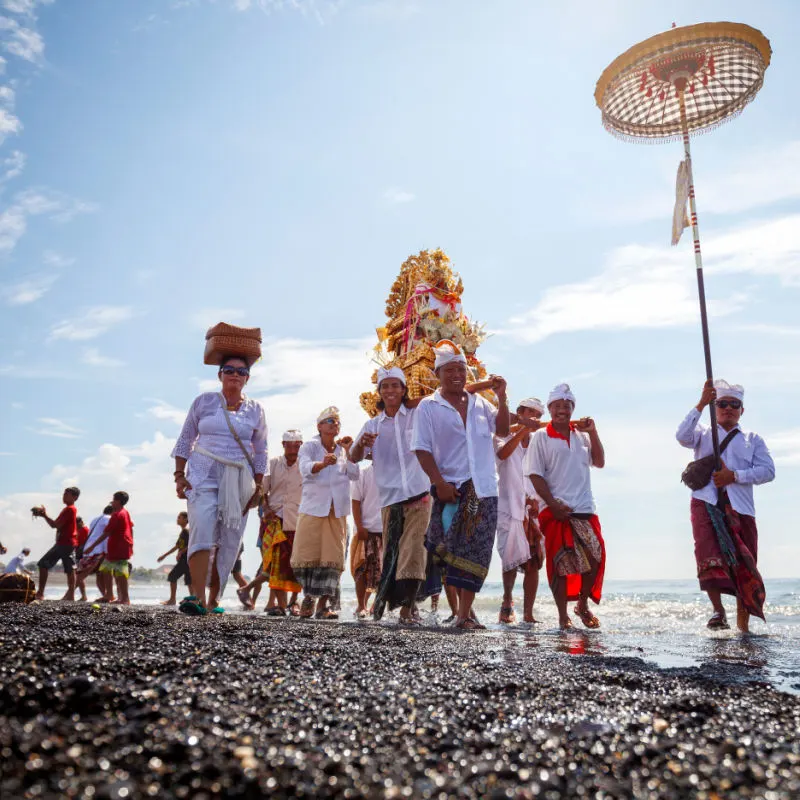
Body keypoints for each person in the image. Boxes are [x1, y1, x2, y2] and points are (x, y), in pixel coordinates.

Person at [411, 343, 510, 630]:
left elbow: (502, 430)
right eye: (450, 370)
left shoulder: (481, 404)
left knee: (477, 552)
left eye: (461, 369)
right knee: (451, 551)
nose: (456, 374)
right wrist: (438, 483)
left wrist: (501, 398)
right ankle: (461, 613)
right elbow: (421, 449)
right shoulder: (429, 407)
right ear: (438, 373)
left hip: (485, 489)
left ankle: (465, 614)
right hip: (451, 489)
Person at [676, 379, 775, 632]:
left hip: (741, 509)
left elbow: (768, 471)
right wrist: (701, 403)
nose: (728, 408)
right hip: (705, 502)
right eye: (722, 403)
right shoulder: (703, 433)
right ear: (715, 405)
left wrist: (735, 476)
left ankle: (744, 627)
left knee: (745, 564)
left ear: (742, 410)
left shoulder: (753, 440)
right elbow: (682, 436)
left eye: (734, 404)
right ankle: (718, 611)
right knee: (708, 554)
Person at [172, 354, 267, 615]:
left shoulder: (256, 409)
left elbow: (261, 451)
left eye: (240, 371)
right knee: (201, 528)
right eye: (228, 370)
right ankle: (197, 596)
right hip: (203, 472)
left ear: (247, 377)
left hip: (239, 478)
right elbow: (185, 440)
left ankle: (214, 599)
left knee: (229, 539)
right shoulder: (204, 402)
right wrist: (179, 475)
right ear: (220, 375)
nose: (234, 375)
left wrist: (259, 487)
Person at [350, 366, 433, 626]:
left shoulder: (417, 415)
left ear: (404, 389)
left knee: (414, 550)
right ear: (379, 392)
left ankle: (408, 608)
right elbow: (353, 457)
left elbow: (437, 398)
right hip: (389, 499)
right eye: (385, 386)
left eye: (395, 385)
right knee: (393, 553)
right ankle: (391, 603)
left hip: (419, 493)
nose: (390, 391)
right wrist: (361, 444)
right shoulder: (372, 425)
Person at [526, 384, 606, 630]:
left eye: (567, 406)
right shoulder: (541, 436)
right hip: (556, 508)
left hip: (584, 506)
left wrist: (593, 432)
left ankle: (581, 604)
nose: (562, 410)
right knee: (560, 563)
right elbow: (535, 475)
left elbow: (600, 462)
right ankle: (563, 616)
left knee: (595, 557)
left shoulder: (581, 435)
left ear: (573, 409)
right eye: (557, 406)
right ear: (550, 409)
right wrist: (551, 503)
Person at [290, 407, 357, 620]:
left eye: (336, 421)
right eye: (328, 421)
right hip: (313, 508)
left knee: (333, 557)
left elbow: (354, 474)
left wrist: (351, 451)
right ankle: (308, 597)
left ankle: (324, 605)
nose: (333, 424)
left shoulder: (342, 450)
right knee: (308, 555)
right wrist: (322, 463)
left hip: (336, 510)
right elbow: (304, 468)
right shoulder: (309, 446)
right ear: (319, 426)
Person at [239, 430, 304, 614]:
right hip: (274, 520)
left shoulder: (305, 466)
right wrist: (266, 509)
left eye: (297, 445)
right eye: (290, 444)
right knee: (274, 565)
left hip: (297, 521)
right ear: (283, 445)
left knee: (294, 565)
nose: (294, 448)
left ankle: (293, 603)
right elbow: (261, 490)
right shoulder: (273, 464)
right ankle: (281, 606)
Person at [495, 398, 546, 624]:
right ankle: (507, 601)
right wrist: (523, 429)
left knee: (534, 562)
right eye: (529, 413)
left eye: (537, 414)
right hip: (509, 506)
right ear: (519, 413)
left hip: (533, 509)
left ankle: (528, 612)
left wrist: (538, 500)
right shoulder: (501, 435)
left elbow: (545, 473)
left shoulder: (539, 441)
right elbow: (503, 454)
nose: (534, 417)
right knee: (510, 559)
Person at [84, 491, 134, 605]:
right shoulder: (124, 512)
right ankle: (110, 594)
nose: (111, 502)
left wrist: (91, 546)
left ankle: (124, 598)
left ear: (118, 501)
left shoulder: (117, 514)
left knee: (120, 572)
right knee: (106, 569)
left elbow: (106, 533)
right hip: (119, 546)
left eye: (113, 500)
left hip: (119, 546)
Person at [349, 458, 384, 619]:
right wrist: (360, 526)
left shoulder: (393, 473)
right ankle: (360, 605)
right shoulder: (363, 473)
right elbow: (355, 502)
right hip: (365, 529)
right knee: (361, 569)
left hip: (385, 529)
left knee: (380, 571)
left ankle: (374, 605)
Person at [33, 486, 81, 602]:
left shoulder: (70, 509)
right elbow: (56, 525)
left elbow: (55, 525)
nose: (64, 496)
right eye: (64, 494)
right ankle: (70, 596)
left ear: (74, 497)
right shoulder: (68, 509)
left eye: (67, 494)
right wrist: (44, 515)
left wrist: (44, 515)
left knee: (45, 565)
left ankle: (41, 593)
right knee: (69, 569)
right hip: (64, 543)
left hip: (66, 543)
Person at [74, 506, 114, 602]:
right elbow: (107, 536)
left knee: (98, 574)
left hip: (90, 550)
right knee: (82, 575)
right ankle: (70, 594)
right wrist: (107, 551)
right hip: (98, 551)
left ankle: (106, 596)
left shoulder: (95, 519)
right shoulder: (108, 519)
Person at [157, 511, 192, 606]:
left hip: (185, 559)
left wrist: (181, 552)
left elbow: (191, 544)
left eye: (179, 517)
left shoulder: (186, 531)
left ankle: (172, 600)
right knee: (189, 580)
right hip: (185, 559)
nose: (177, 519)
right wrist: (164, 555)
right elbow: (177, 546)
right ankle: (193, 600)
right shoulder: (183, 532)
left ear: (186, 519)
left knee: (172, 576)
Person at [74, 517, 91, 601]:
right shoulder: (78, 530)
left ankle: (72, 592)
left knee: (79, 576)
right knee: (78, 576)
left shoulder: (85, 530)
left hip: (82, 555)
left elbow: (85, 543)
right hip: (78, 553)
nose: (76, 525)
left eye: (77, 523)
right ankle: (83, 596)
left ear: (81, 522)